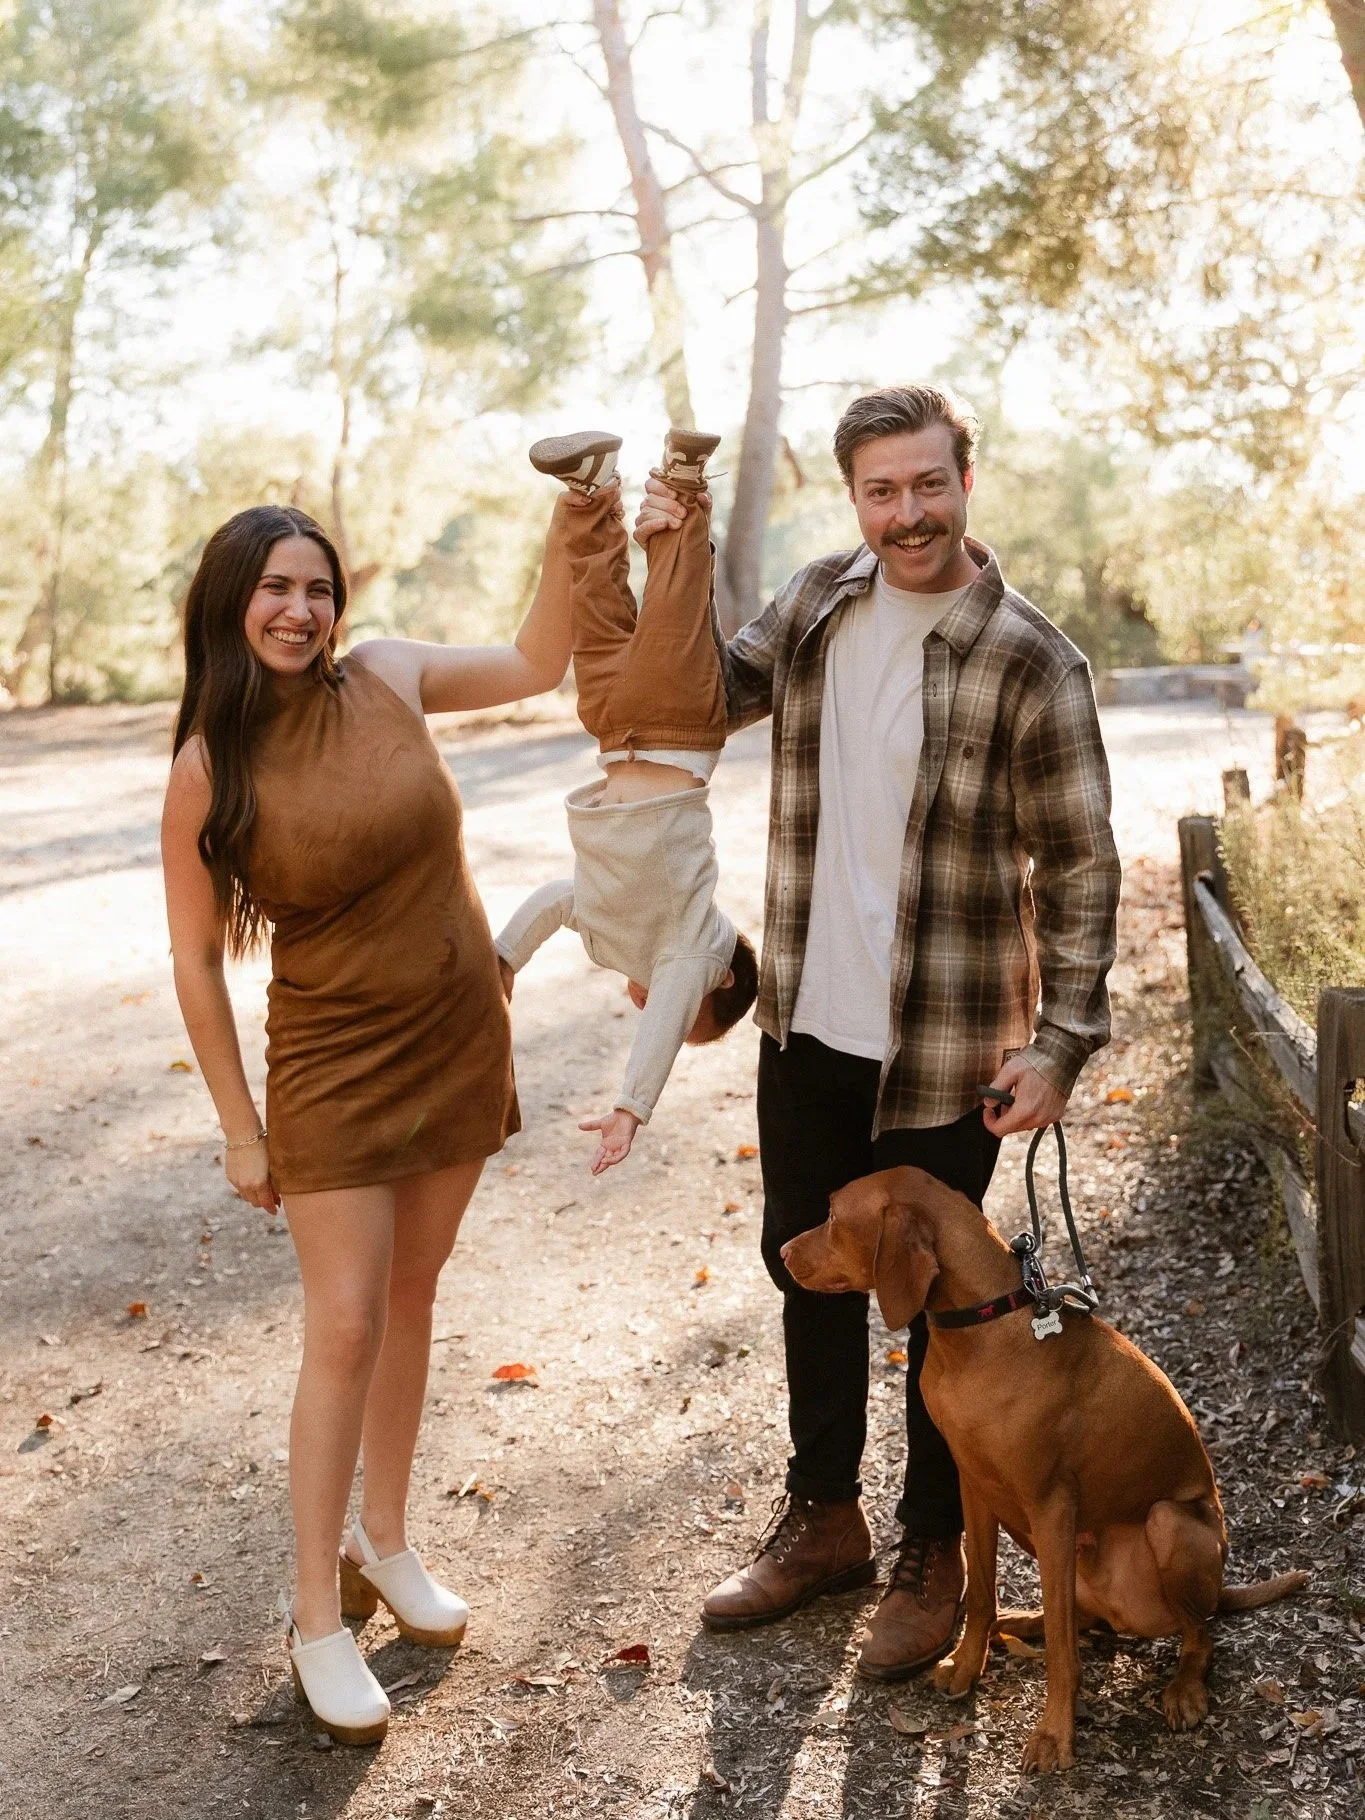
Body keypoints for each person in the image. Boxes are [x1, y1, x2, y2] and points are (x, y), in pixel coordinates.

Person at [636, 384, 1121, 1680]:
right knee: (805, 1264)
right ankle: (826, 1516)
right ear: (852, 497)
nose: (906, 514)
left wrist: (1060, 1041)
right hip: (806, 1023)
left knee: (939, 1304)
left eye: (927, 484)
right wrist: (663, 554)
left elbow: (1079, 864)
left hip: (948, 1042)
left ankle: (928, 1546)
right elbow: (685, 702)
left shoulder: (1032, 658)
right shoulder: (815, 604)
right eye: (880, 491)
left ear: (967, 478)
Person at [160, 503, 572, 1745]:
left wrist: (573, 525)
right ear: (233, 601)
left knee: (413, 1295)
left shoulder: (389, 673)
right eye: (276, 587)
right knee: (343, 1321)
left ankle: (386, 1540)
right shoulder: (205, 768)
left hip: (457, 1039)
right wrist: (242, 1125)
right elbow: (192, 961)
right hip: (334, 1065)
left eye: (318, 588)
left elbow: (540, 661)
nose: (300, 609)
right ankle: (313, 1613)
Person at [494, 429, 758, 1174]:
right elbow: (668, 1008)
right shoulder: (694, 945)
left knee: (596, 603)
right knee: (675, 594)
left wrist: (503, 959)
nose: (656, 1013)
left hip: (613, 732)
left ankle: (589, 489)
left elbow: (556, 897)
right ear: (722, 979)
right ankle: (684, 479)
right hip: (677, 729)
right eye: (689, 1022)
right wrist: (632, 1105)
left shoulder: (612, 939)